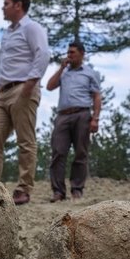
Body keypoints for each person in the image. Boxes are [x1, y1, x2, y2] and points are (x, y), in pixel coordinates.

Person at [0, 0, 51, 205]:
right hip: (2, 93)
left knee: (25, 140)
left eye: (6, 3)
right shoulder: (7, 33)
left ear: (18, 5)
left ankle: (23, 189)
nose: (2, 8)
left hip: (23, 88)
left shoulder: (32, 28)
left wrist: (29, 84)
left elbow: (43, 55)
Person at [46, 41, 102, 202]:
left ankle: (77, 189)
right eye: (68, 52)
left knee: (80, 153)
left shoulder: (91, 73)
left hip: (82, 114)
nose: (69, 55)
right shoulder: (63, 72)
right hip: (63, 115)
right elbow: (50, 86)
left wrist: (95, 118)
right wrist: (61, 68)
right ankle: (58, 191)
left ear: (82, 54)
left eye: (72, 52)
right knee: (58, 152)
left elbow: (97, 96)